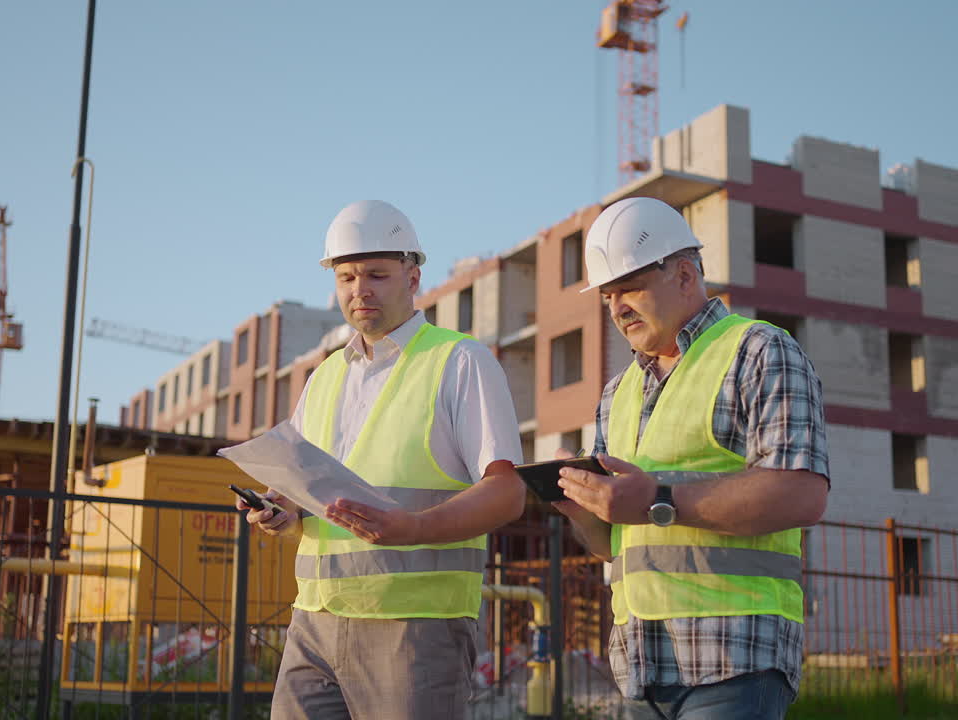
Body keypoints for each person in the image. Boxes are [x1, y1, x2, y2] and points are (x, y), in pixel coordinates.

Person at [236, 199, 525, 720]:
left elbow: (507, 492)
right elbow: (310, 490)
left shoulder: (460, 362)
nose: (359, 290)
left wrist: (413, 526)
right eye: (345, 277)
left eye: (376, 274)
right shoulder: (323, 378)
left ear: (413, 278)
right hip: (313, 623)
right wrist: (283, 509)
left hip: (414, 627)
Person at [552, 197, 829, 720]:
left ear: (683, 275)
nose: (617, 307)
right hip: (642, 664)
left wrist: (657, 499)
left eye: (629, 287)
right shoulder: (617, 393)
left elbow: (802, 492)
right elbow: (616, 546)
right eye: (608, 294)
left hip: (735, 651)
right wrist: (586, 511)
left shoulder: (761, 351)